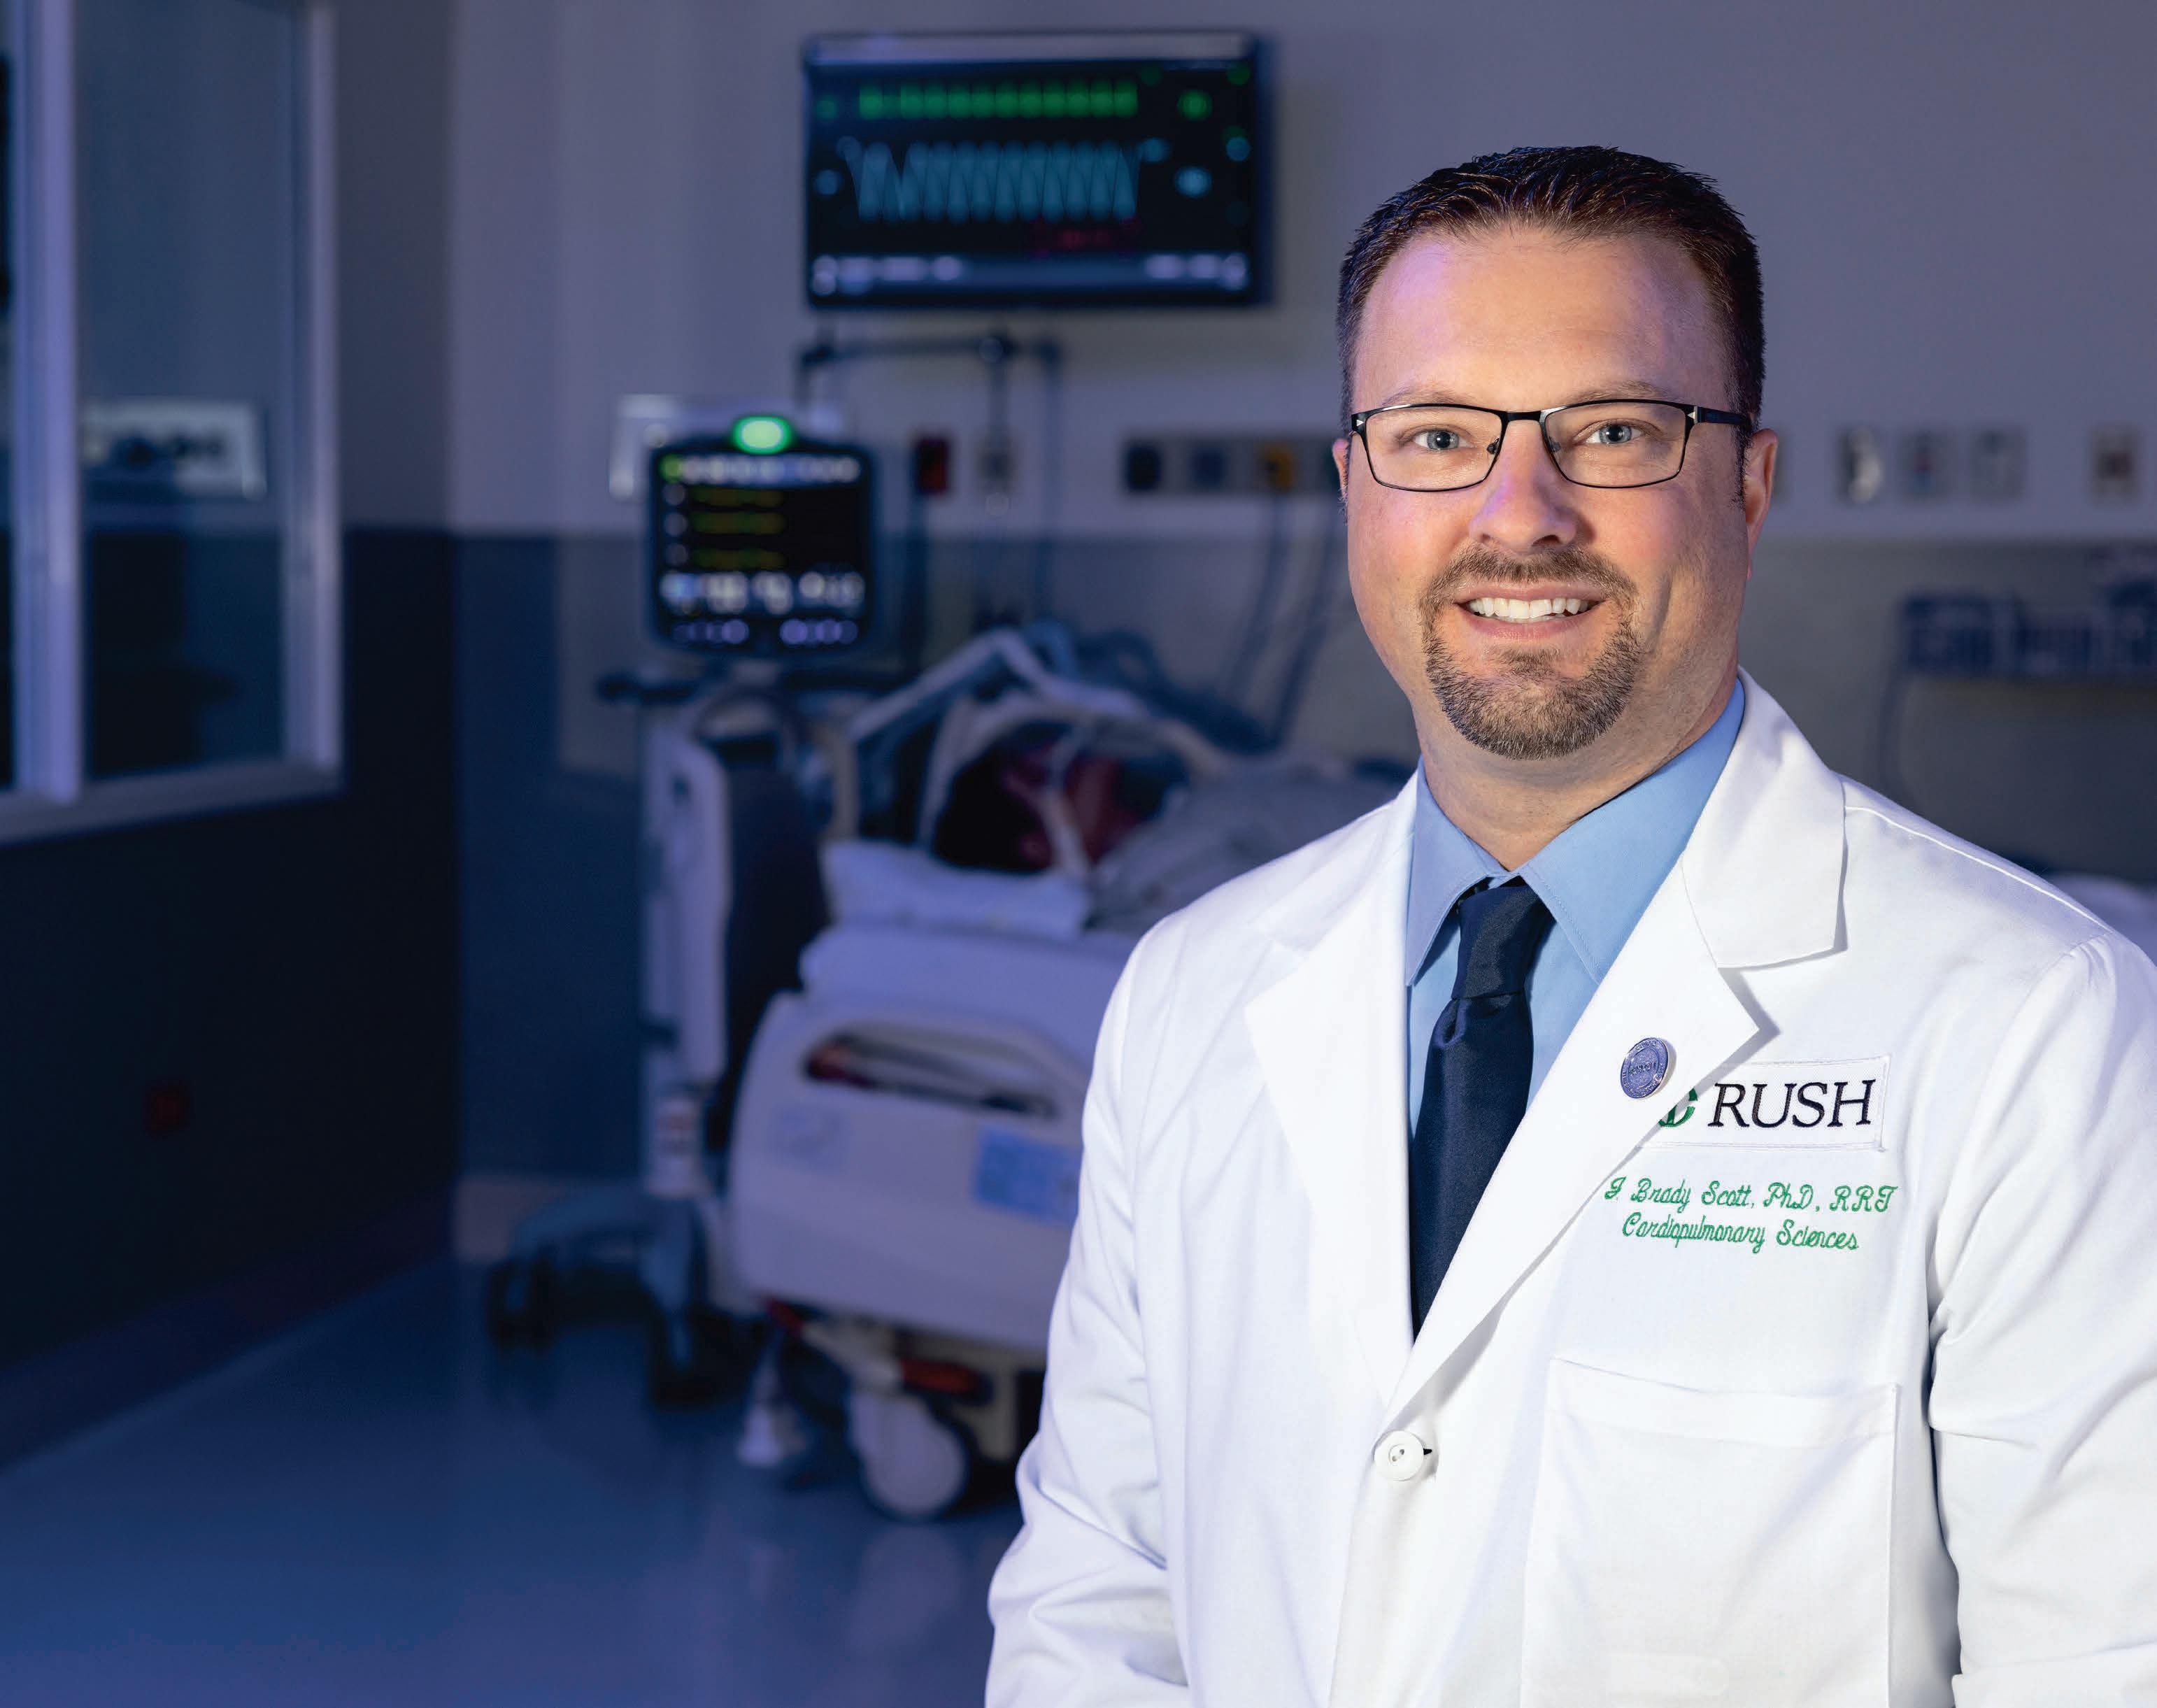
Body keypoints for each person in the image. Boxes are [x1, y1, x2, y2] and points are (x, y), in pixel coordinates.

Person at [985, 146, 2157, 1707]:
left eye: (1614, 432)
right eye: (1437, 436)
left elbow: (2102, 1666)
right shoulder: (1191, 993)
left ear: (1746, 485)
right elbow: (1099, 1594)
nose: (1519, 515)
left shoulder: (2039, 1030)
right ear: (1355, 489)